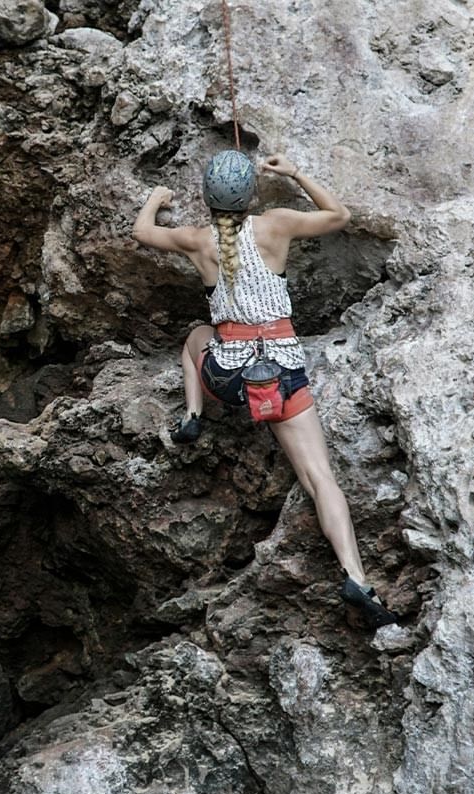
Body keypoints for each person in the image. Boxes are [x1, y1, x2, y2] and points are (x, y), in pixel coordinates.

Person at [132, 150, 395, 628]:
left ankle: (192, 415)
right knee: (321, 482)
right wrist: (294, 173)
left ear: (208, 198)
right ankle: (356, 575)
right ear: (250, 195)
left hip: (229, 379)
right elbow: (339, 215)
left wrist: (156, 197)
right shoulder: (275, 225)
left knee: (195, 338)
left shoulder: (196, 240)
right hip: (280, 375)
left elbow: (142, 232)